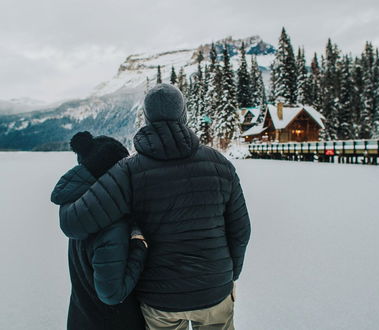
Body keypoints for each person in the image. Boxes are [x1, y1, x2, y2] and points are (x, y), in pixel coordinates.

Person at [57, 83, 251, 329]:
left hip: (161, 299)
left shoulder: (128, 171)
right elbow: (241, 230)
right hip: (215, 289)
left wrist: (83, 174)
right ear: (184, 116)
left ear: (146, 119)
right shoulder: (220, 165)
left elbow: (74, 222)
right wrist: (229, 273)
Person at [51, 132, 148, 330]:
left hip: (82, 318)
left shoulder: (79, 208)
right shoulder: (111, 222)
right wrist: (139, 245)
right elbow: (112, 294)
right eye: (123, 166)